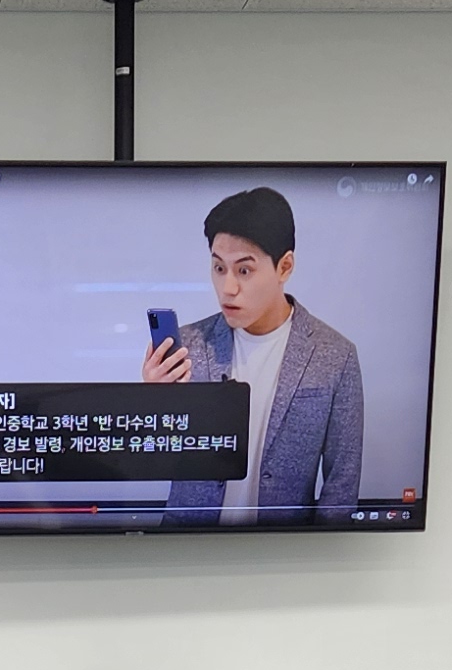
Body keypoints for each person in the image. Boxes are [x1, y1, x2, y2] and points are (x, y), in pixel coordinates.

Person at [142, 185, 366, 527]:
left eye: (244, 270)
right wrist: (151, 405)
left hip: (280, 558)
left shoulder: (335, 356)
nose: (227, 287)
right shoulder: (187, 346)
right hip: (184, 552)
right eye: (219, 268)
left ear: (284, 267)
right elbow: (156, 461)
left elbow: (341, 486)